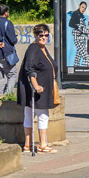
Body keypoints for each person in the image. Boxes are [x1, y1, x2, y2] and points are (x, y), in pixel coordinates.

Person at [17, 23, 58, 153]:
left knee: (29, 114)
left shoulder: (42, 48)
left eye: (46, 35)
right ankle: (42, 144)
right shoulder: (34, 49)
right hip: (37, 89)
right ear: (35, 35)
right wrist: (36, 86)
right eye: (41, 35)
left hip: (36, 88)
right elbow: (29, 69)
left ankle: (28, 145)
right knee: (43, 115)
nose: (44, 38)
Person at [68, 1, 89, 67]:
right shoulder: (75, 13)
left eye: (85, 8)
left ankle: (75, 70)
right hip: (78, 39)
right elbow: (70, 24)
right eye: (82, 7)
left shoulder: (81, 15)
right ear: (79, 6)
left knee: (78, 57)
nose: (83, 9)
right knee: (86, 57)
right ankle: (83, 72)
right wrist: (80, 27)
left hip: (82, 38)